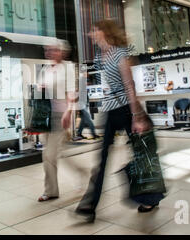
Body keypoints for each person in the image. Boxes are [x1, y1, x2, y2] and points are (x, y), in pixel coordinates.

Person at [74, 19, 154, 223]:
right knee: (101, 159)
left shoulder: (119, 53)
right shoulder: (100, 56)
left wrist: (136, 116)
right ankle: (89, 205)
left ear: (104, 32)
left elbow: (129, 85)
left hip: (126, 110)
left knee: (139, 154)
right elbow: (106, 86)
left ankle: (149, 198)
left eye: (93, 29)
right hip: (110, 111)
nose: (90, 34)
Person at [37, 40, 86, 202]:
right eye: (47, 50)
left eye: (52, 50)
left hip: (61, 115)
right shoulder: (46, 69)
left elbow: (73, 93)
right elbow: (40, 88)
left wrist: (69, 112)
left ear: (61, 52)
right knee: (59, 153)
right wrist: (41, 87)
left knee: (49, 155)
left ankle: (50, 191)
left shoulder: (68, 68)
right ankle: (81, 171)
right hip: (46, 116)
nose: (49, 53)